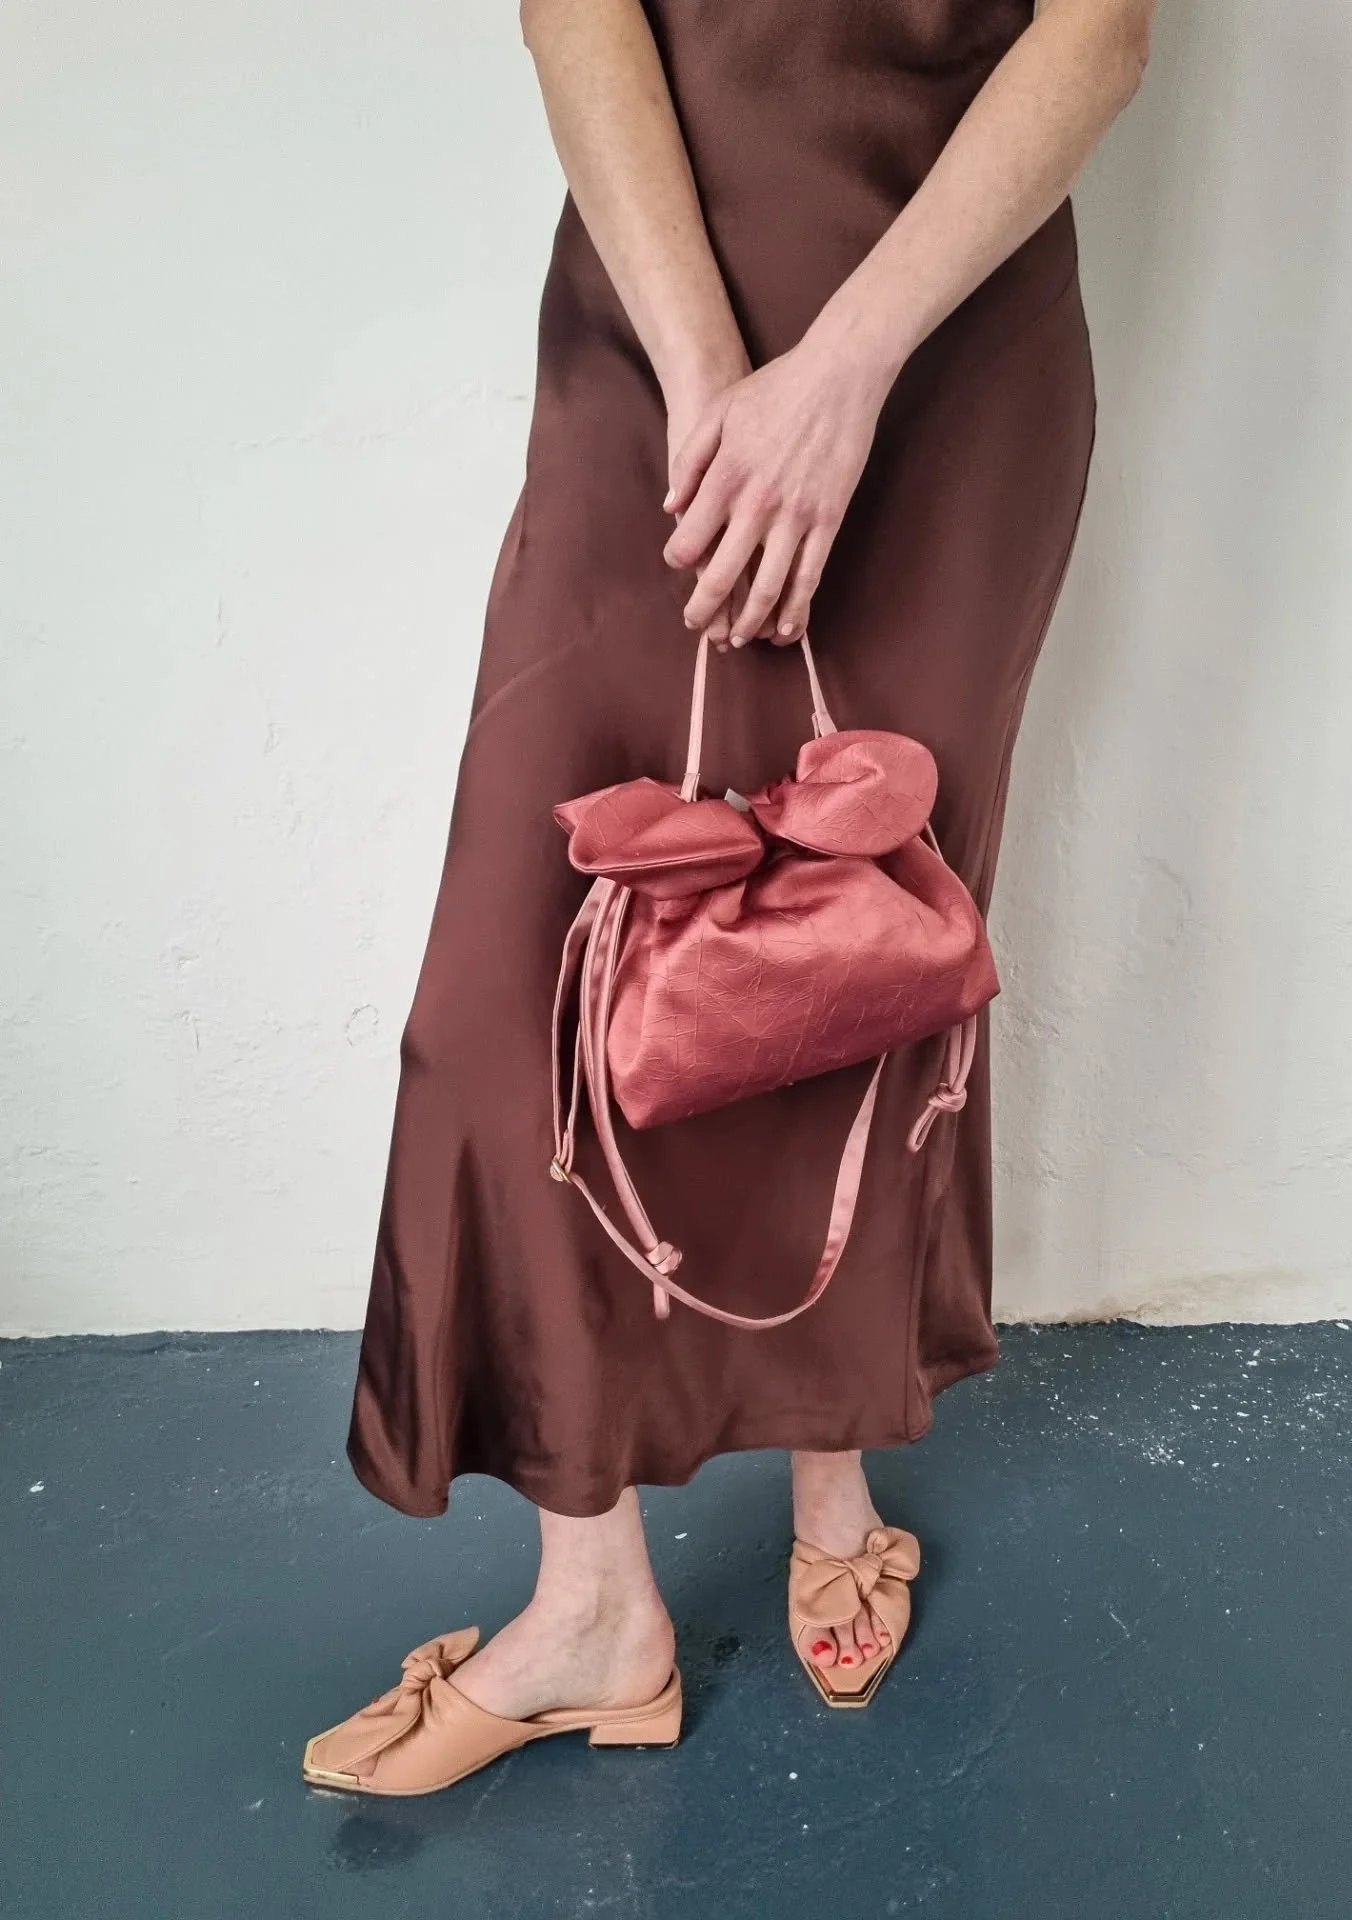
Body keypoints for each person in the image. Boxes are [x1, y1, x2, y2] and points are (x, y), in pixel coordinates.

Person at [302, 0, 1153, 1796]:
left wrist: (840, 380)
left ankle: (836, 1481)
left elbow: (1095, 37)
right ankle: (592, 1604)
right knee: (522, 976)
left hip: (943, 362)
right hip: (655, 337)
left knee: (855, 950)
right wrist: (712, 388)